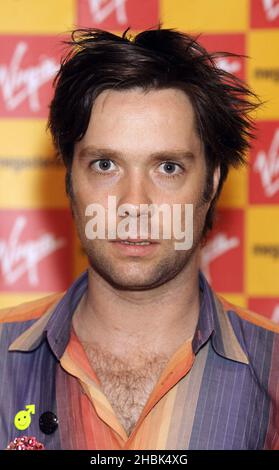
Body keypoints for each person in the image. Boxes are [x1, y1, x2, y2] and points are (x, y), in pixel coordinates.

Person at [0, 26, 278, 451]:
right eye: (106, 164)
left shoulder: (273, 367)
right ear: (70, 179)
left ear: (212, 182)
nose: (133, 204)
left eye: (167, 167)